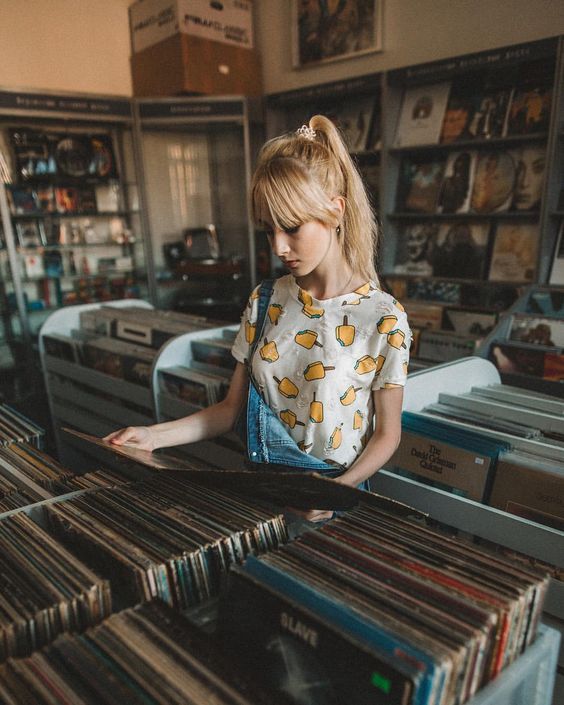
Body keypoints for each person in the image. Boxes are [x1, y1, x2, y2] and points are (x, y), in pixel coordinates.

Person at [105, 115, 411, 522]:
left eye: (291, 227)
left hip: (334, 498)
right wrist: (152, 436)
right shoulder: (266, 299)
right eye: (269, 231)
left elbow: (387, 435)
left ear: (335, 212)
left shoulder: (383, 318)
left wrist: (337, 492)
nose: (279, 246)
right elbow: (230, 410)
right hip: (260, 487)